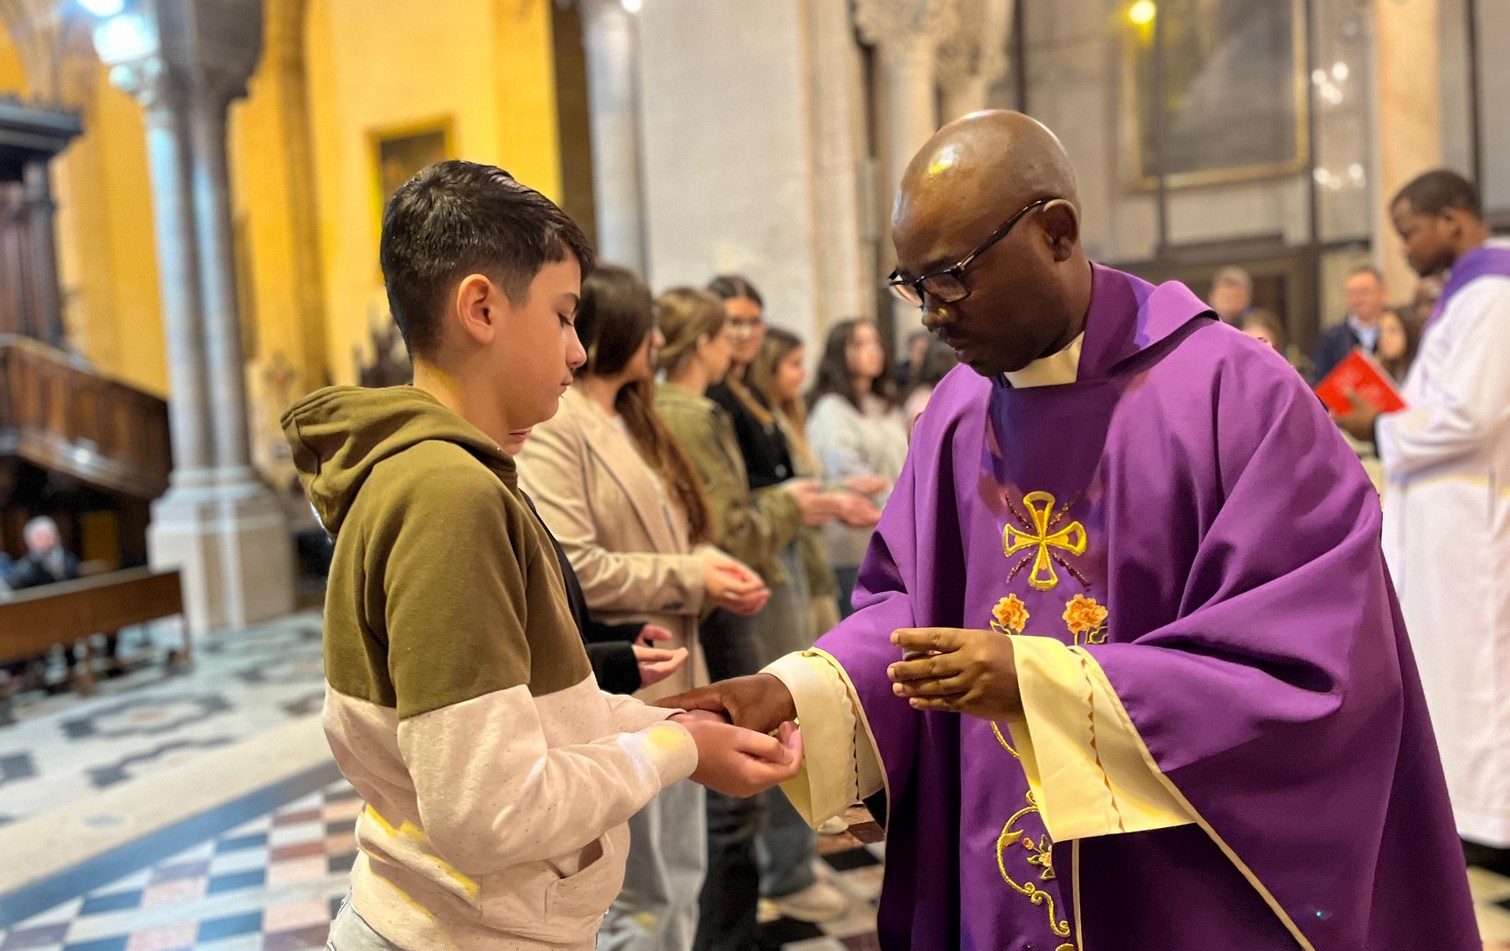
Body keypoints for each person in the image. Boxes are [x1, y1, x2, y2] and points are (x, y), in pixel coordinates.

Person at [662, 112, 1478, 949]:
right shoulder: (957, 414)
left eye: (952, 278)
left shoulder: (1237, 396)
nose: (932, 317)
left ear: (1056, 232)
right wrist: (797, 690)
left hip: (1170, 890)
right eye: (913, 286)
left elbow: (1311, 669)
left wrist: (1040, 684)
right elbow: (907, 606)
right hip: (993, 861)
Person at [279, 160, 801, 951]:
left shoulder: (447, 475)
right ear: (482, 307)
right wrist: (678, 747)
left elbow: (532, 722)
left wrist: (674, 723)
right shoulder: (448, 496)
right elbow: (488, 811)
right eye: (562, 316)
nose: (579, 350)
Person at [516, 263, 770, 950]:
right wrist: (693, 575)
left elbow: (660, 532)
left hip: (672, 663)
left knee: (682, 874)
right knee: (643, 895)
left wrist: (708, 564)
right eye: (647, 323)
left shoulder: (628, 416)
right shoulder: (562, 424)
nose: (658, 339)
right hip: (623, 668)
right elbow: (577, 565)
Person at [652, 288, 849, 944]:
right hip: (717, 598)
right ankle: (736, 925)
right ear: (703, 342)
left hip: (714, 590)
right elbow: (723, 525)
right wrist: (792, 504)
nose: (739, 341)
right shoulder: (692, 411)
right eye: (727, 329)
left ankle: (743, 912)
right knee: (736, 771)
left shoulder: (696, 405)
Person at [1334, 168, 1510, 857]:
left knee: (1481, 668)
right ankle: (1466, 814)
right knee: (1451, 664)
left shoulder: (1493, 294)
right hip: (1445, 513)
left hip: (1475, 519)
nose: (1403, 249)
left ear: (1454, 219)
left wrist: (1379, 427)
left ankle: (1494, 822)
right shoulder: (1465, 294)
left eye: (1410, 233)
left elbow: (1472, 415)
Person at [805, 319, 909, 619]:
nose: (872, 351)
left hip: (894, 536)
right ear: (840, 353)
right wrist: (899, 511)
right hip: (855, 544)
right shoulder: (832, 410)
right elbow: (848, 472)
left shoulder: (883, 404)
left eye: (875, 342)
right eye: (860, 344)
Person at [747, 327, 843, 640]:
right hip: (788, 562)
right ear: (768, 367)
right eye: (794, 364)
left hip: (812, 560)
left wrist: (845, 490)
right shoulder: (765, 423)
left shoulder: (790, 416)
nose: (803, 374)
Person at [1311, 264, 1387, 384]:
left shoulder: (1397, 331)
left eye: (1364, 292)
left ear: (1382, 293)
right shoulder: (1331, 338)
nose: (1358, 299)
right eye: (1352, 293)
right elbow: (1321, 382)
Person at [1375, 306, 1420, 385]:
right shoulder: (1381, 367)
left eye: (1392, 331)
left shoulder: (1422, 369)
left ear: (1409, 332)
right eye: (1380, 331)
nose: (1384, 338)